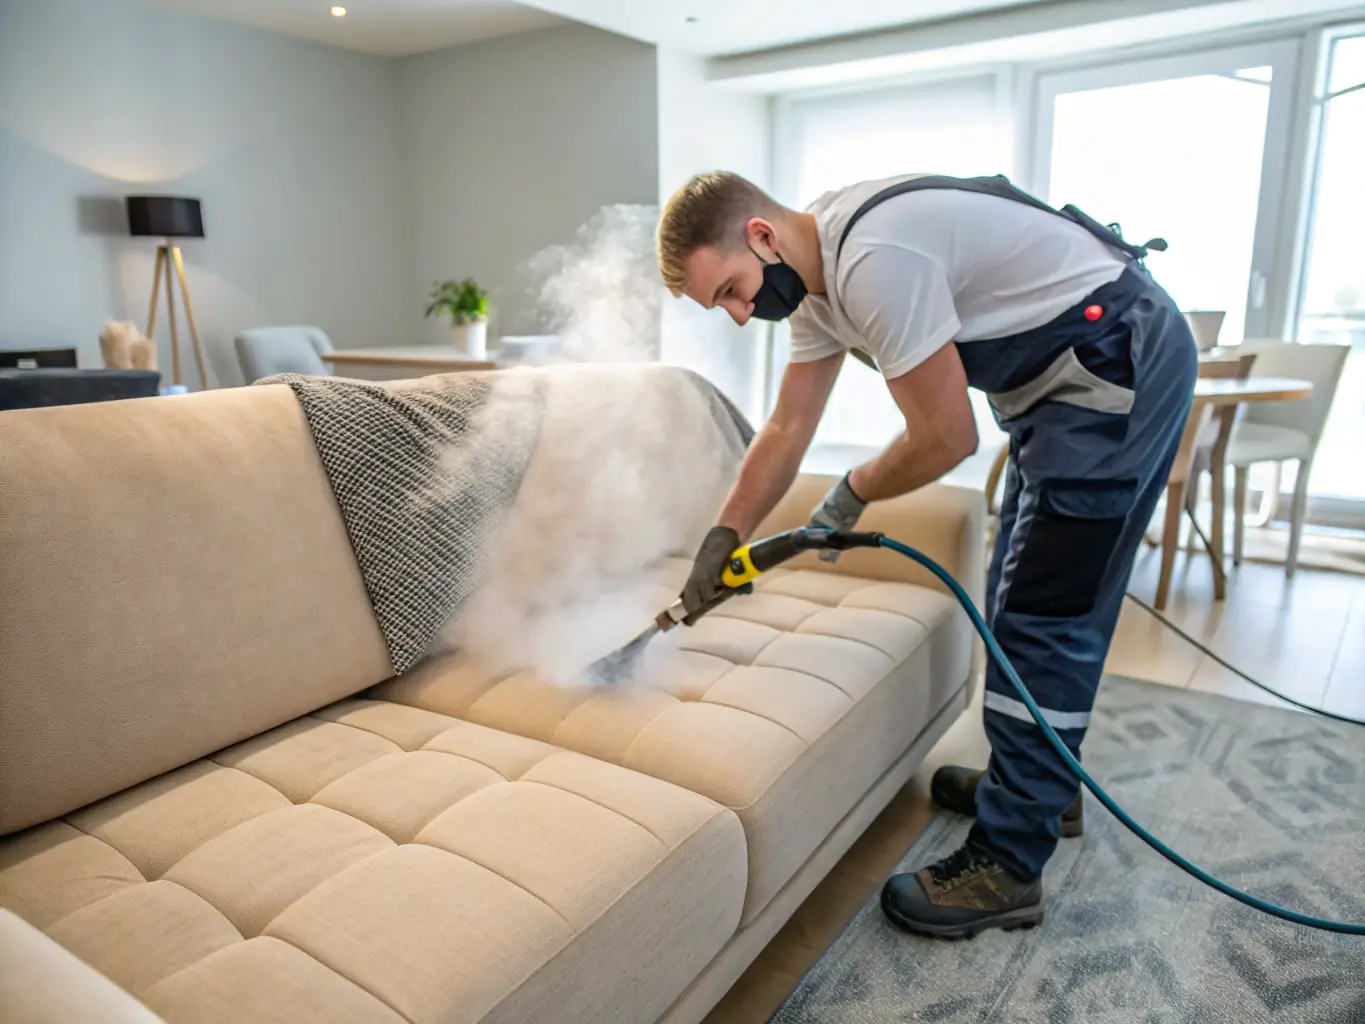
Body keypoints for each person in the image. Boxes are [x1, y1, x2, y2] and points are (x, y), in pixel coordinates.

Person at [656, 170, 1198, 939]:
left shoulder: (872, 257)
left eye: (733, 292)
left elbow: (946, 437)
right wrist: (724, 537)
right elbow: (785, 428)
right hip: (1063, 386)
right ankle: (1038, 785)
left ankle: (1007, 866)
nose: (742, 315)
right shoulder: (817, 290)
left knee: (1046, 614)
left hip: (1112, 364)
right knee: (1020, 592)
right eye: (727, 307)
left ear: (761, 237)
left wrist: (850, 491)